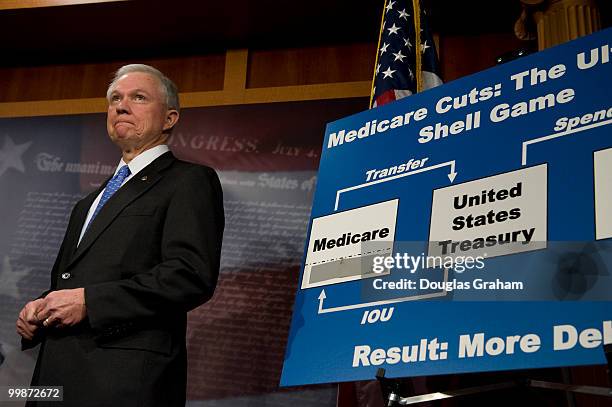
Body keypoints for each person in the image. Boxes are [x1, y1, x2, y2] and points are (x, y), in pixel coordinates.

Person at [15, 64, 224, 406]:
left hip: (122, 383)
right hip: (54, 382)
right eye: (115, 99)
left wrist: (90, 303)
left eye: (138, 97)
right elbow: (76, 281)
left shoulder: (189, 181)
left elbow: (190, 275)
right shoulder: (89, 202)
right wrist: (43, 306)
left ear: (170, 118)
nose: (121, 106)